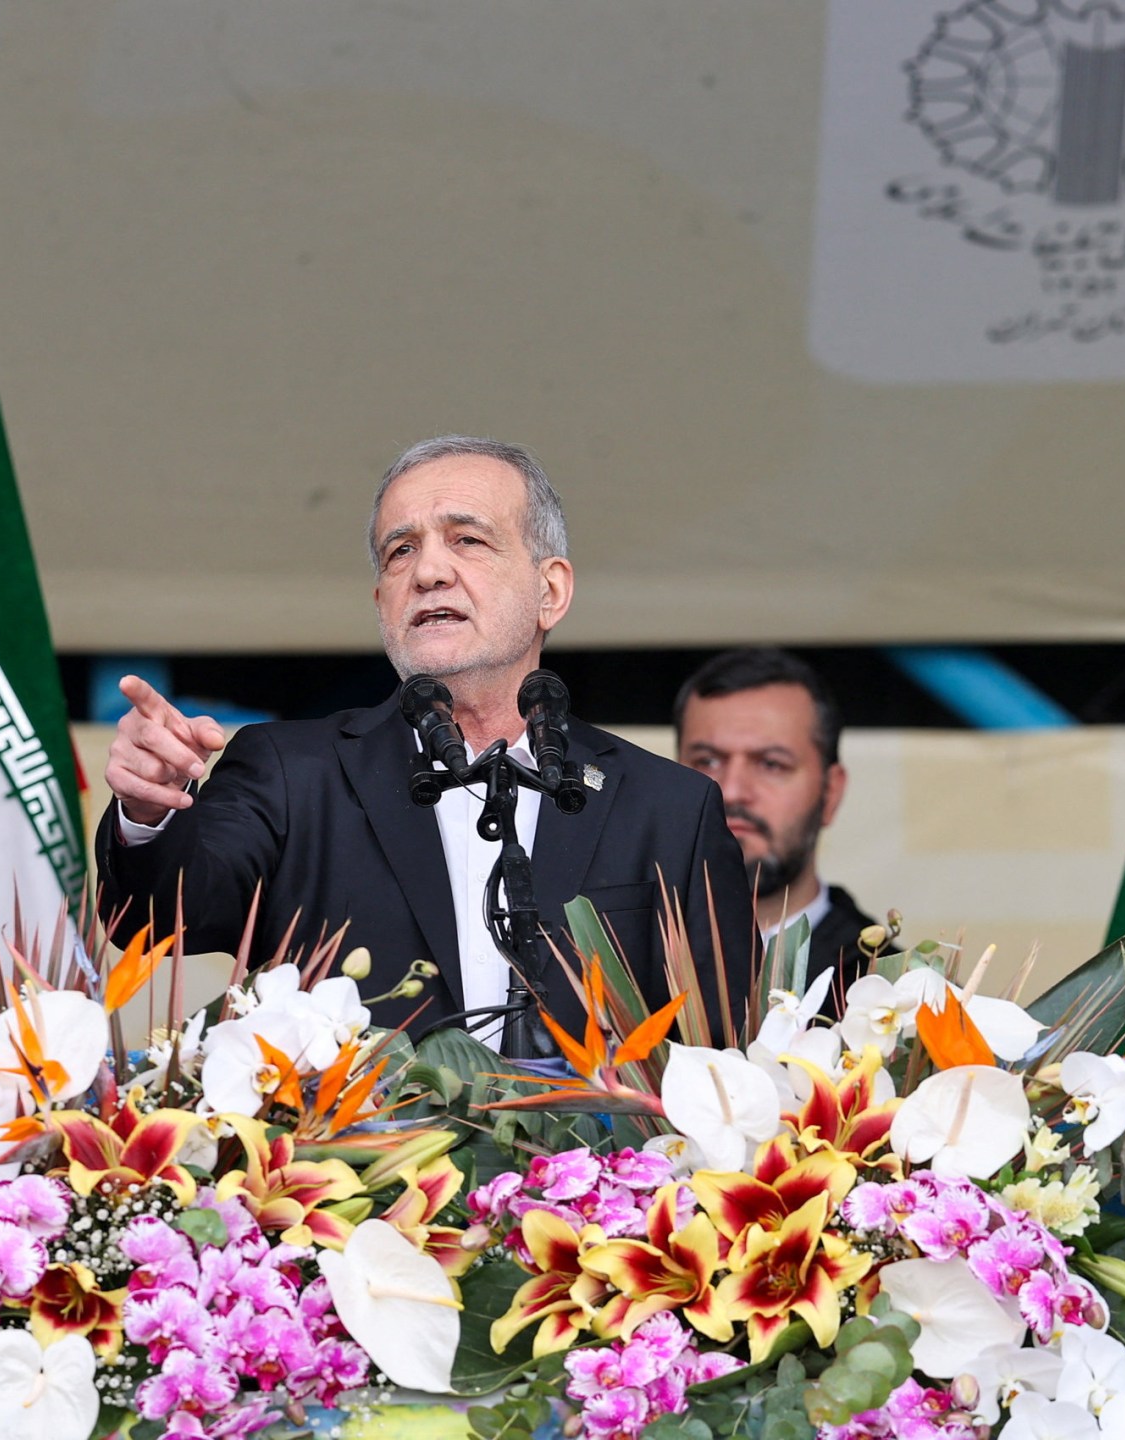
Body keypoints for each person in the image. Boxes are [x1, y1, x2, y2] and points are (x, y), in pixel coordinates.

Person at [97, 435, 757, 1041]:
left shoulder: (669, 809)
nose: (429, 572)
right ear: (381, 602)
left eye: (467, 540)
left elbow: (726, 1051)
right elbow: (158, 920)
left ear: (550, 590)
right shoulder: (294, 774)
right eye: (401, 551)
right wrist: (151, 813)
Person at [673, 647, 885, 997]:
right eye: (707, 761)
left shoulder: (900, 998)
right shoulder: (609, 970)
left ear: (830, 792)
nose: (731, 791)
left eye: (771, 764)